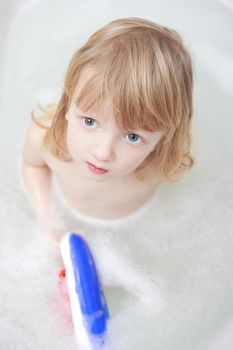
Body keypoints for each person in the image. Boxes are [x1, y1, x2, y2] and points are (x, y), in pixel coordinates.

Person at [21, 17, 194, 245]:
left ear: (164, 139)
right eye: (90, 122)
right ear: (67, 105)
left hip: (132, 234)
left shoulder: (158, 166)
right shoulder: (45, 139)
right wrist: (47, 216)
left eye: (133, 137)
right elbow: (32, 165)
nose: (103, 153)